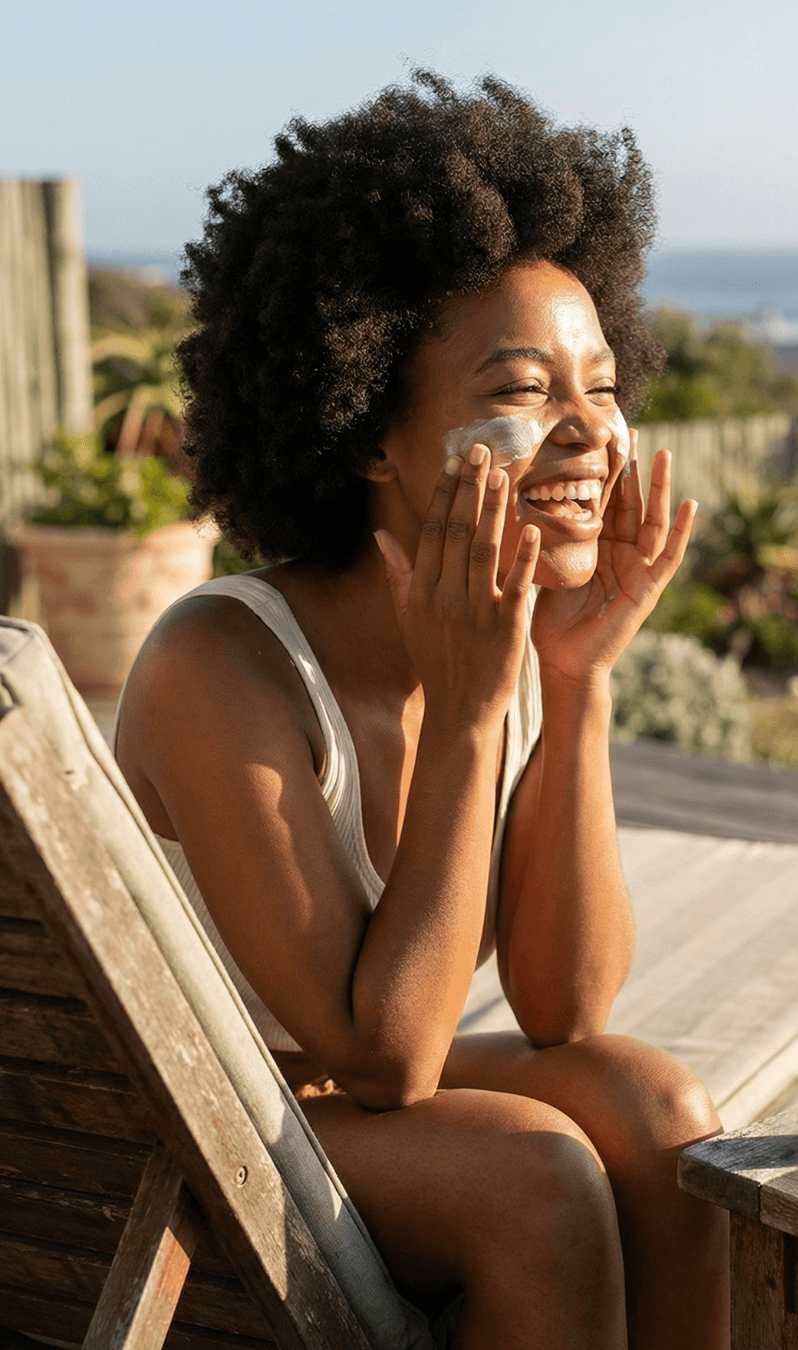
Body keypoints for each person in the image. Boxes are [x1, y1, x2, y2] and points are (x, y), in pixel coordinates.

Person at [114, 71, 730, 1349]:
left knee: (655, 1108)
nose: (589, 436)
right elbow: (387, 1057)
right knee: (538, 1177)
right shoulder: (217, 662)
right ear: (365, 435)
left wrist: (576, 680)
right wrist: (470, 713)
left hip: (341, 1105)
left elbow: (565, 1009)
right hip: (193, 1125)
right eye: (521, 392)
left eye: (603, 387)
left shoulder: (501, 640)